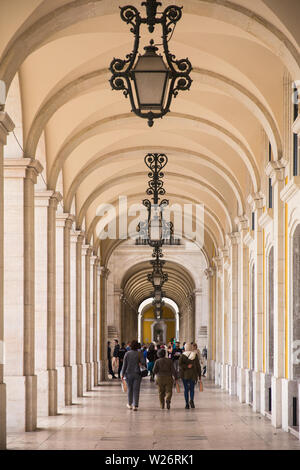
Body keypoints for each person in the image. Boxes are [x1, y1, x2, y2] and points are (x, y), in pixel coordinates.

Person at [121, 339, 145, 411]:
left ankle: (130, 404)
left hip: (128, 374)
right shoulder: (139, 353)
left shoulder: (127, 354)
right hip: (137, 374)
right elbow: (143, 362)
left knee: (130, 389)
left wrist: (122, 374)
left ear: (130, 346)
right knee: (136, 389)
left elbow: (124, 365)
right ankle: (135, 405)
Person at [179, 342, 202, 409]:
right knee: (192, 389)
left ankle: (187, 404)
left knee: (186, 389)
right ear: (191, 347)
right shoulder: (194, 355)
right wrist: (200, 375)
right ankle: (191, 400)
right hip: (193, 375)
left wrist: (186, 366)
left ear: (185, 348)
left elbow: (180, 365)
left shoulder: (182, 356)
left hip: (184, 375)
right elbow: (198, 366)